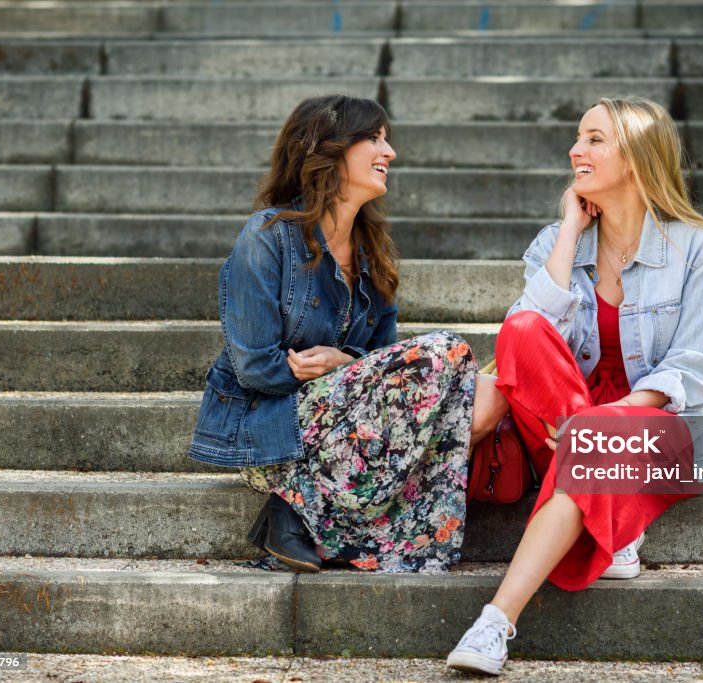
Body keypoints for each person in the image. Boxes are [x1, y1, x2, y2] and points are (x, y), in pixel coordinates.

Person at [446, 96, 703, 675]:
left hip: (672, 431)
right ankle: (615, 520)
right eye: (578, 138)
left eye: (593, 139)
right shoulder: (556, 244)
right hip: (564, 426)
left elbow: (701, 363)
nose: (575, 150)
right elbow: (523, 345)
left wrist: (613, 416)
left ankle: (495, 623)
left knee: (591, 444)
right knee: (524, 328)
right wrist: (568, 229)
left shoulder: (698, 249)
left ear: (635, 156)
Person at [187, 95, 509, 574]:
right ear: (329, 149)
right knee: (446, 352)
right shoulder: (267, 237)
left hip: (346, 432)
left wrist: (345, 367)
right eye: (374, 139)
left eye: (388, 141)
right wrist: (349, 378)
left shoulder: (373, 254)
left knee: (474, 386)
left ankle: (294, 512)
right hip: (268, 428)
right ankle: (299, 506)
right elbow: (254, 368)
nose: (390, 153)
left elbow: (387, 381)